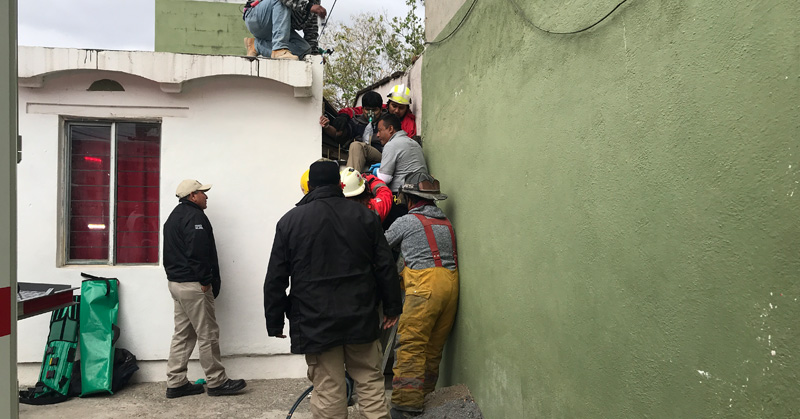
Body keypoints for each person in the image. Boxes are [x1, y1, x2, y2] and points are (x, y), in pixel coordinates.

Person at [264, 160, 403, 419]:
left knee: (329, 388)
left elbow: (276, 277)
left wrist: (275, 321)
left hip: (315, 319)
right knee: (370, 381)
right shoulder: (365, 217)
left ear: (309, 186)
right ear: (339, 185)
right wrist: (392, 306)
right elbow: (384, 266)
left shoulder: (290, 222)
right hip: (360, 315)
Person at [383, 172, 458, 419]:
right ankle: (425, 400)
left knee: (411, 345)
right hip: (450, 288)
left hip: (424, 288)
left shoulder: (407, 221)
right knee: (432, 350)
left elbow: (380, 247)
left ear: (409, 198)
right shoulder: (445, 222)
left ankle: (405, 408)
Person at [163, 180, 246, 398]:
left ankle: (176, 382)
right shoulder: (195, 217)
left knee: (183, 333)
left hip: (177, 284)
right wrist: (205, 279)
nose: (206, 196)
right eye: (202, 193)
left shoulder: (173, 217)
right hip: (193, 286)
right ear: (192, 195)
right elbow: (197, 251)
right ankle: (217, 382)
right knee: (207, 333)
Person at [375, 113, 428, 228]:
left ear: (390, 129)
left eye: (379, 130)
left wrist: (376, 172)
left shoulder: (391, 145)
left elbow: (384, 178)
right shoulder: (413, 143)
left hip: (401, 198)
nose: (377, 135)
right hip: (422, 195)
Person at [321, 91, 385, 172]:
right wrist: (327, 126)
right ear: (362, 109)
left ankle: (351, 177)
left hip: (382, 157)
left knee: (357, 145)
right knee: (356, 145)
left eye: (374, 110)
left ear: (381, 109)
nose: (370, 113)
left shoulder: (387, 121)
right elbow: (338, 134)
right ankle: (352, 177)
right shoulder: (356, 122)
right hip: (360, 156)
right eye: (367, 110)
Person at [243, 0, 327, 60]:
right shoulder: (311, 5)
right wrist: (308, 7)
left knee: (304, 50)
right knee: (282, 2)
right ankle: (279, 49)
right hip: (256, 16)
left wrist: (315, 57)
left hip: (273, 29)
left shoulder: (314, 2)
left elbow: (311, 29)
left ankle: (256, 45)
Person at [338, 85, 417, 138]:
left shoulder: (409, 124)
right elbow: (356, 111)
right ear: (388, 104)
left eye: (401, 108)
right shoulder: (380, 109)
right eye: (394, 106)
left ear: (407, 108)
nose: (397, 111)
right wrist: (344, 115)